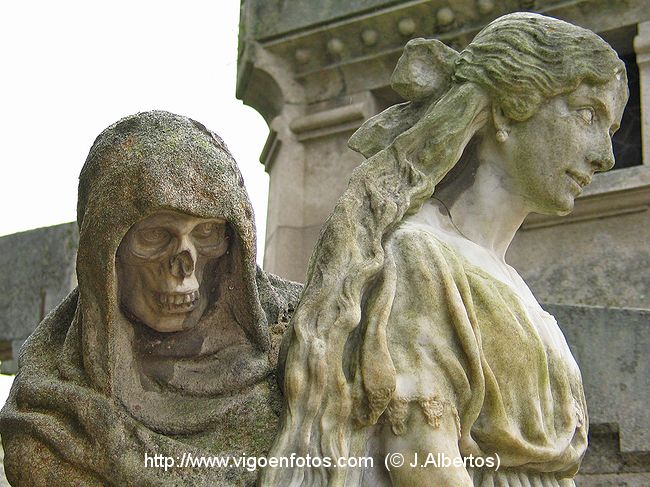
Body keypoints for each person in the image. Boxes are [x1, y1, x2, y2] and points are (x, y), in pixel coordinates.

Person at [261, 13, 628, 487]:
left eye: (612, 128)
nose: (606, 154)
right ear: (508, 106)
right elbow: (422, 461)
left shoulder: (512, 286)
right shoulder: (423, 256)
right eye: (587, 114)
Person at [0, 111, 301, 486]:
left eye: (207, 232)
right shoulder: (51, 415)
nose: (183, 264)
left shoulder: (309, 337)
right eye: (155, 236)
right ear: (105, 253)